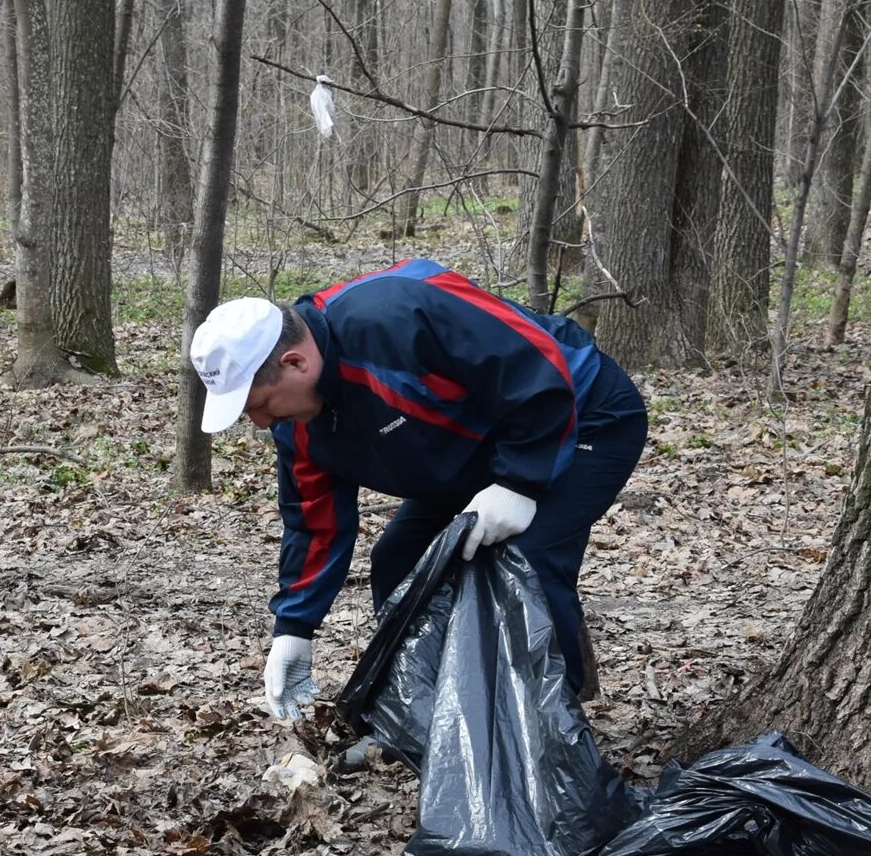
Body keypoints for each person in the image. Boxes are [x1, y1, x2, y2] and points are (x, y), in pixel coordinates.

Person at [188, 258, 648, 716]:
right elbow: (315, 525)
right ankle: (430, 714)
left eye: (261, 404)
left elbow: (534, 366)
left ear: (295, 362)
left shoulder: (393, 315)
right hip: (474, 452)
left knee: (529, 560)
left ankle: (551, 727)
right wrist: (294, 629)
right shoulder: (298, 425)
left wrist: (518, 482)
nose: (262, 423)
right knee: (399, 561)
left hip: (583, 413)